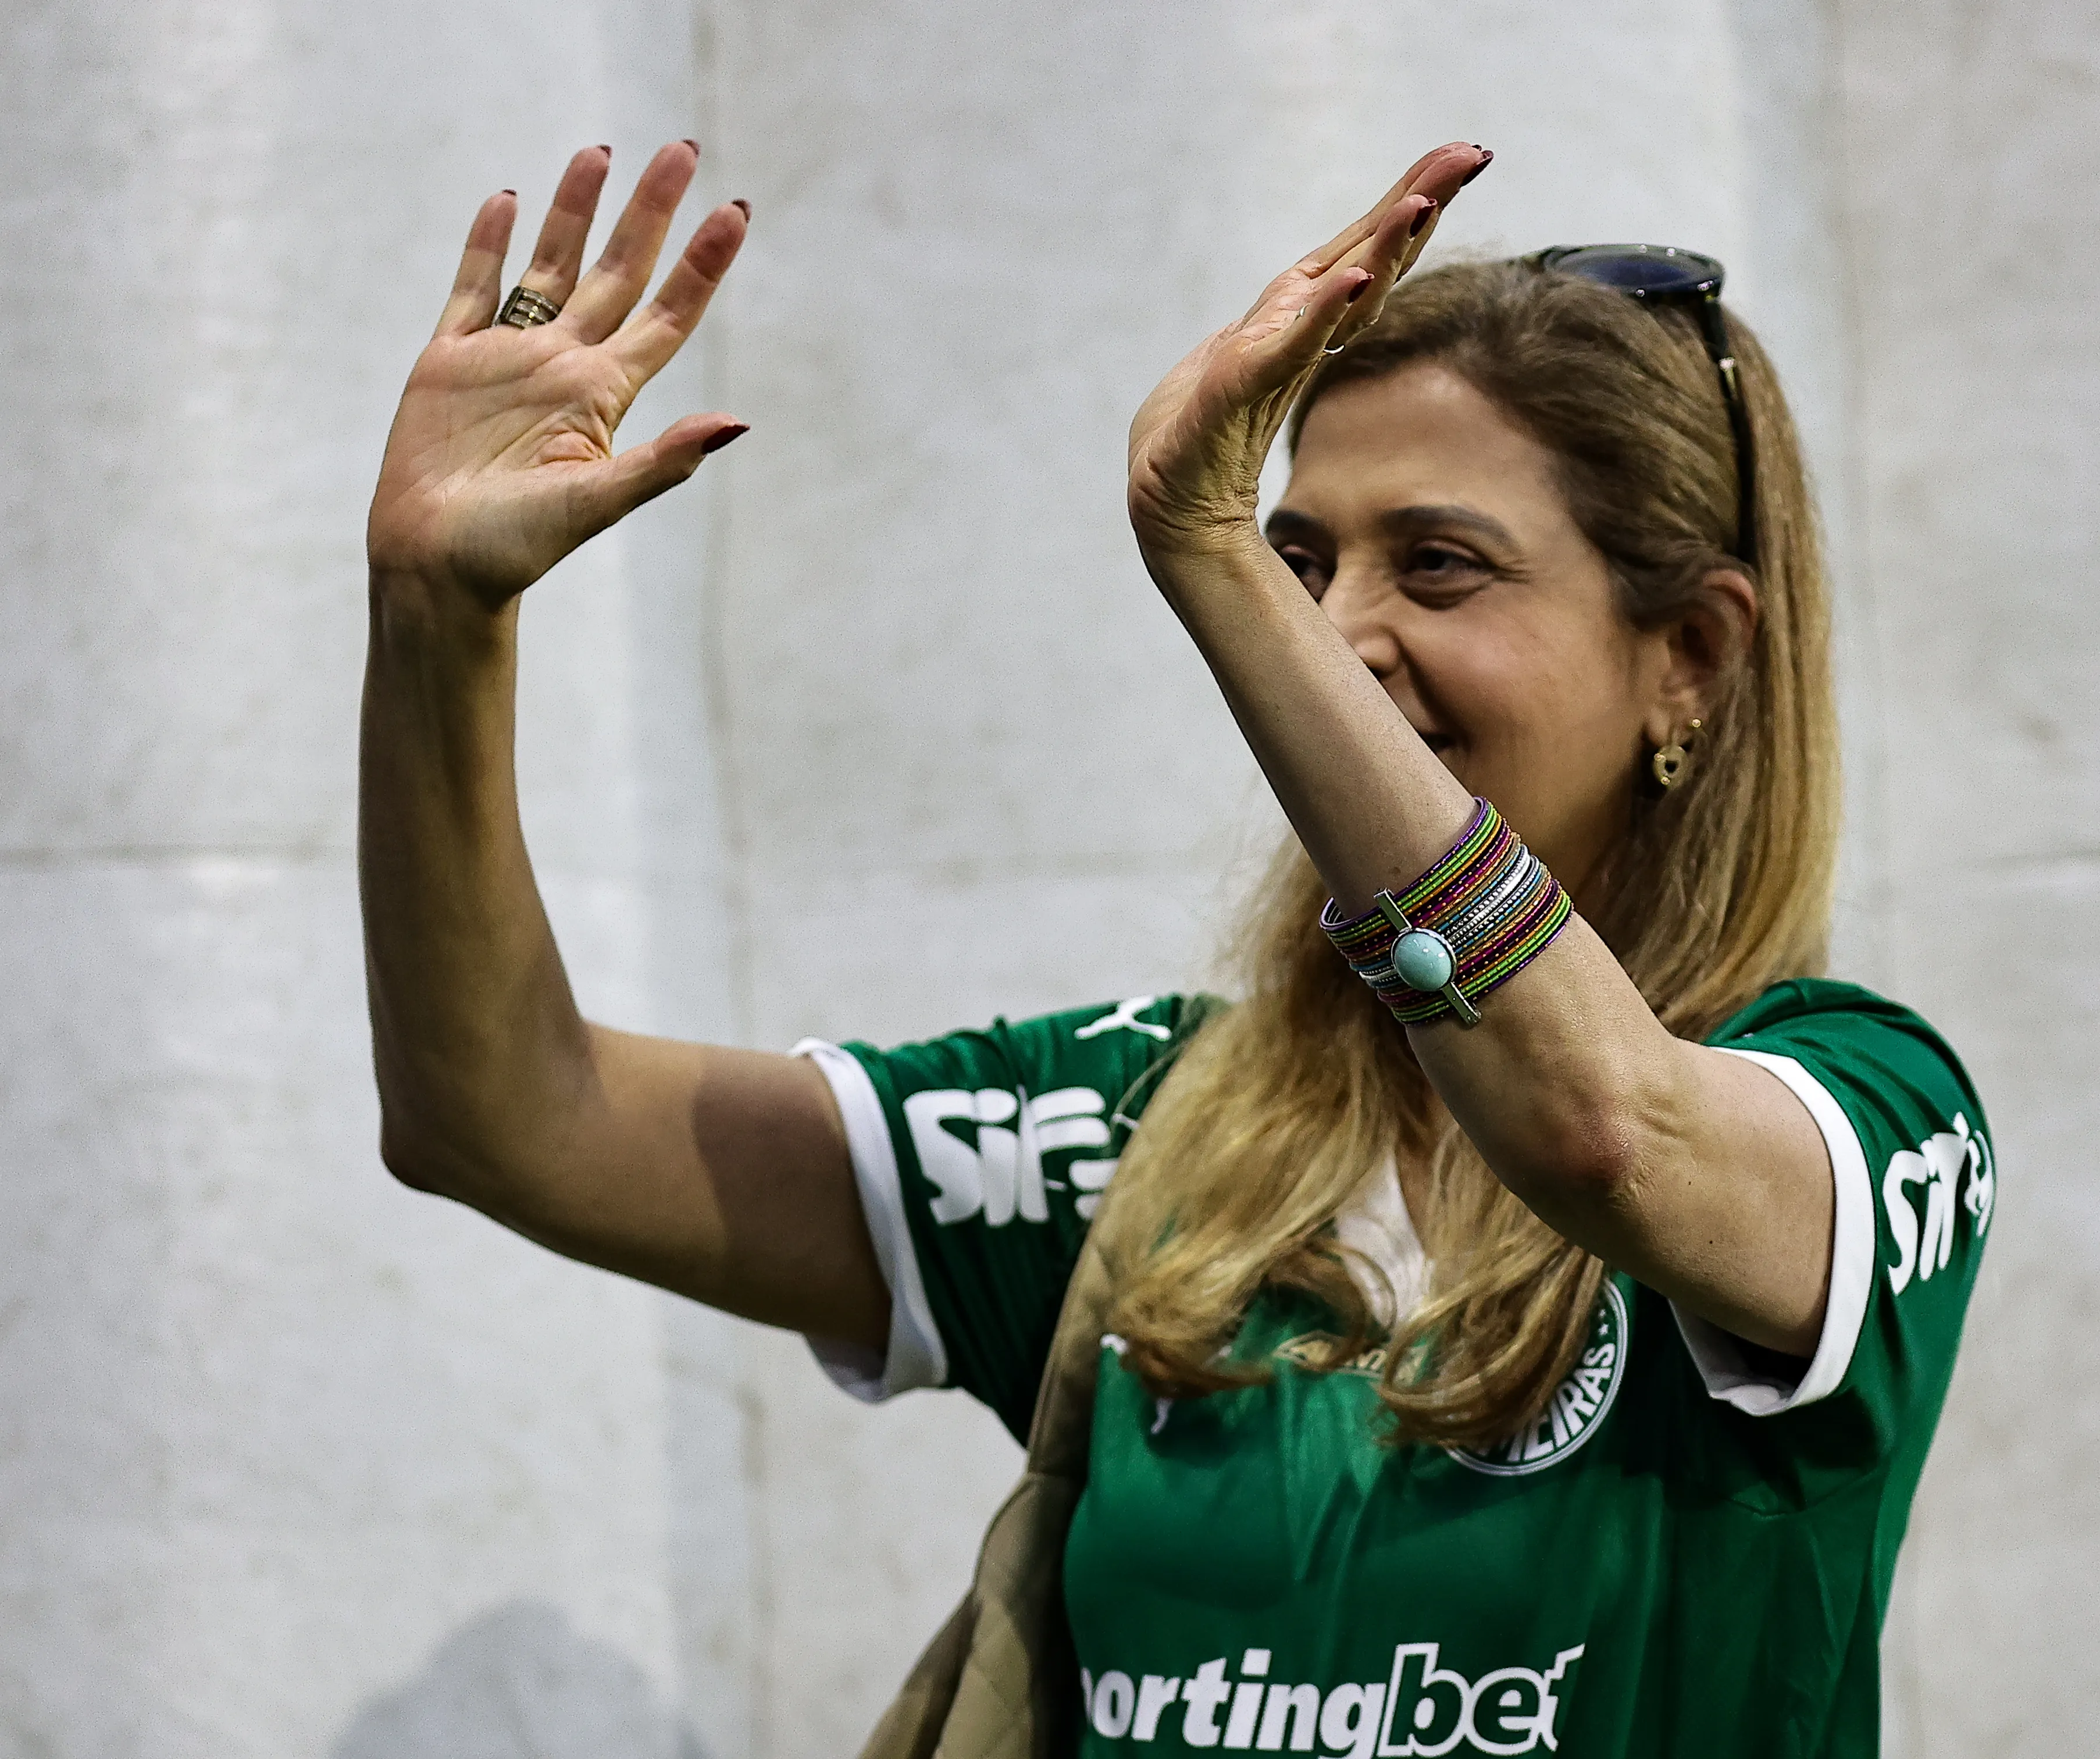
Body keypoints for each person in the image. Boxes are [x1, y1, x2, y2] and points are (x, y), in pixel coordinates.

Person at [362, 137, 1995, 1759]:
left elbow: (1605, 1129)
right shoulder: (1151, 1115)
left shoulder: (1873, 1105)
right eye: (1299, 561)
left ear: (1693, 656)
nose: (1338, 632)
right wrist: (441, 622)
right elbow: (508, 1121)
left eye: (1438, 564)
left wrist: (1207, 547)